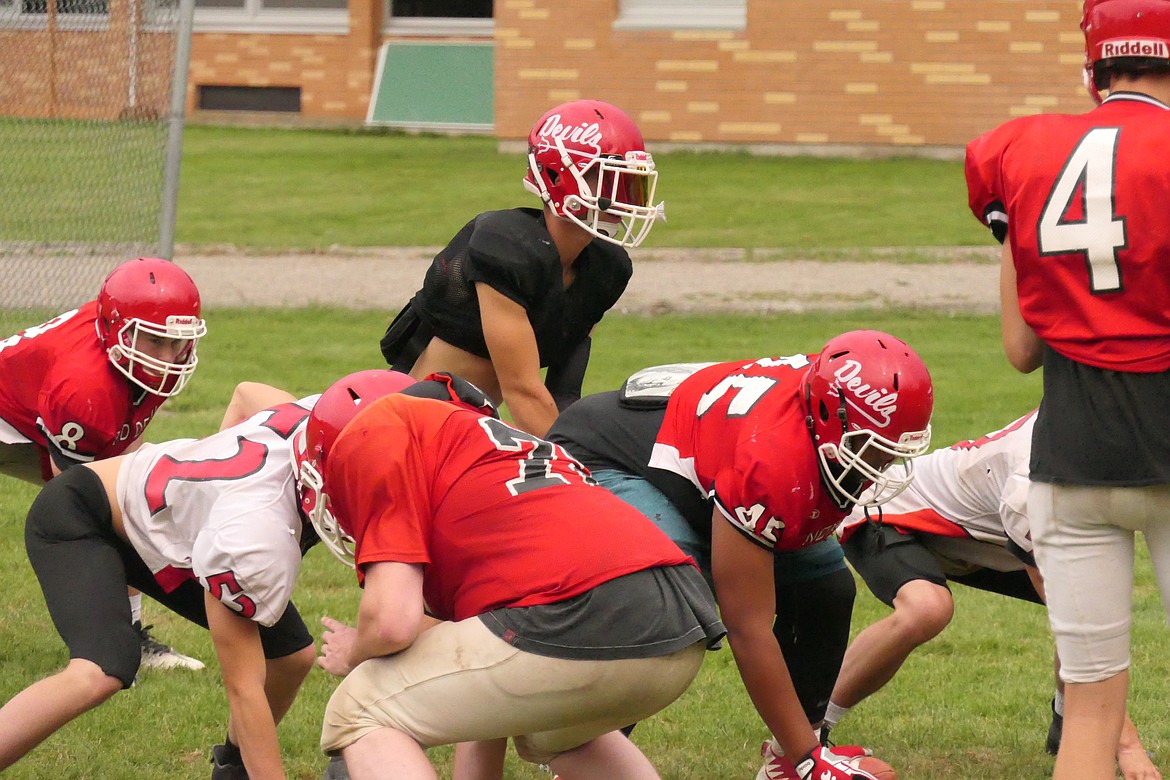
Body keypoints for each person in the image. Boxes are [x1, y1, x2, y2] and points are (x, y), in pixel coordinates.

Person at [545, 330, 935, 780]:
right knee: (666, 604)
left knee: (825, 590)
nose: (881, 466)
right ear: (829, 417)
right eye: (872, 448)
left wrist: (803, 751)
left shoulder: (830, 392)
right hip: (612, 457)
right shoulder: (772, 459)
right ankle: (582, 759)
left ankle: (790, 762)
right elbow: (746, 626)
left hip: (710, 457)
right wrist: (813, 761)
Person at [297, 371, 725, 780]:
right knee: (555, 732)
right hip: (680, 616)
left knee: (359, 708)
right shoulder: (484, 462)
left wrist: (356, 651)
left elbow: (391, 623)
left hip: (582, 605)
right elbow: (484, 701)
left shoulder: (377, 429)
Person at [965, 2, 1170, 778]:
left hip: (1068, 461)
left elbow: (1021, 349)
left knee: (1090, 710)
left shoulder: (1021, 150)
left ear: (1096, 68)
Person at [825, 411, 1161, 780]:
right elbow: (1076, 626)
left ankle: (1069, 724)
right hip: (892, 512)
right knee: (928, 608)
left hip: (983, 534)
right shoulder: (1037, 481)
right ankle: (813, 727)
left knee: (1094, 598)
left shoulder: (1097, 426)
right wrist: (1127, 745)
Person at [378, 98, 664, 437]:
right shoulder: (507, 246)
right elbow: (523, 391)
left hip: (475, 426)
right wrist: (580, 467)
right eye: (606, 178)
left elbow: (563, 392)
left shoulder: (606, 267)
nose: (624, 195)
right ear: (557, 174)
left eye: (631, 181)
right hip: (411, 430)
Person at [0, 256, 207, 672]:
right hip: (10, 415)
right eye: (155, 342)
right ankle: (111, 642)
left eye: (175, 341)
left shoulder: (135, 351)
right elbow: (76, 505)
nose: (168, 355)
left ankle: (131, 636)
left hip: (36, 402)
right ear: (117, 331)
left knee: (130, 502)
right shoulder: (85, 387)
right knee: (101, 515)